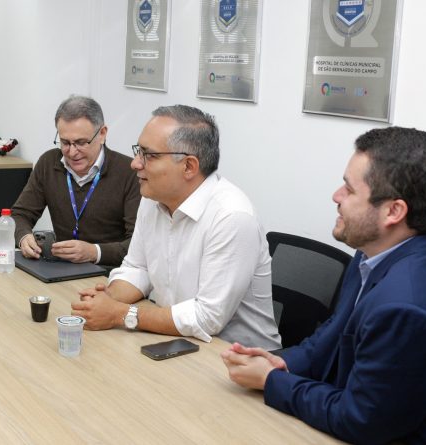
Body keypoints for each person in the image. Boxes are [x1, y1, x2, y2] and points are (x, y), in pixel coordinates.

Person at [221, 127, 426, 443]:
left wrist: (273, 381)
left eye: (350, 190)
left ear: (393, 211)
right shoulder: (375, 251)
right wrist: (283, 362)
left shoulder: (408, 308)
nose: (336, 196)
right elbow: (335, 332)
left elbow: (360, 420)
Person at [72, 105, 280, 349]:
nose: (135, 164)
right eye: (138, 151)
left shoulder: (232, 216)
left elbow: (207, 318)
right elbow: (138, 267)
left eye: (149, 155)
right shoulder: (153, 198)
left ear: (189, 167)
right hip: (177, 340)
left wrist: (119, 313)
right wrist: (107, 299)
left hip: (237, 358)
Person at [11, 95, 140, 267]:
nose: (72, 152)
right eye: (65, 142)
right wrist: (23, 237)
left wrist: (94, 252)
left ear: (102, 134)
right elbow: (20, 215)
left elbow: (139, 245)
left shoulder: (129, 172)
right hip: (60, 268)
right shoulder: (49, 163)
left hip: (108, 273)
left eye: (80, 143)